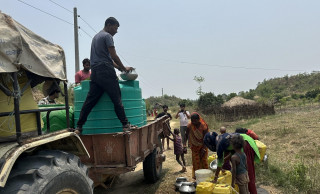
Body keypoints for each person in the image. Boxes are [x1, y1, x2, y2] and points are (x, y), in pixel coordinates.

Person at [75, 17, 134, 134]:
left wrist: (119, 67)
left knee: (90, 101)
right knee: (117, 98)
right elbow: (113, 56)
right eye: (115, 28)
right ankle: (125, 124)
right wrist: (124, 68)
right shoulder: (108, 36)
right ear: (108, 25)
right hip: (106, 71)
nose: (116, 31)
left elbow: (107, 58)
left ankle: (79, 127)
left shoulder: (96, 37)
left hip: (96, 72)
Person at [185, 112, 209, 179]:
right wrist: (184, 145)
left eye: (195, 121)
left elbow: (206, 138)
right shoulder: (190, 125)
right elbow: (186, 135)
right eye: (192, 121)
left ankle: (206, 177)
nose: (194, 123)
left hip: (203, 145)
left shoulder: (204, 126)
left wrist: (204, 148)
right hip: (194, 146)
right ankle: (198, 177)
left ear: (199, 119)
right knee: (196, 162)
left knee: (204, 161)